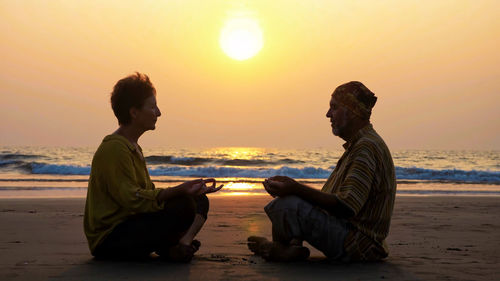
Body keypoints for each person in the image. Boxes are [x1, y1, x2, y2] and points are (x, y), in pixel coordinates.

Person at [248, 81, 396, 262]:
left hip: (358, 244)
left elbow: (346, 207)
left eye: (334, 108)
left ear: (353, 111)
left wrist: (295, 189)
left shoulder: (365, 147)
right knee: (293, 201)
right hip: (361, 242)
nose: (328, 114)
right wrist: (293, 189)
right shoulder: (362, 144)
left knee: (287, 205)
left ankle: (279, 250)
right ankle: (289, 248)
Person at [84, 72, 223, 262]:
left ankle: (182, 242)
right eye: (152, 107)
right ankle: (171, 246)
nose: (158, 113)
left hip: (133, 225)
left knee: (198, 200)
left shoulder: (133, 147)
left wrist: (186, 190)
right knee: (183, 205)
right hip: (110, 238)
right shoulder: (114, 149)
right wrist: (177, 191)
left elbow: (146, 194)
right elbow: (133, 200)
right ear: (134, 112)